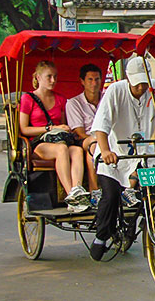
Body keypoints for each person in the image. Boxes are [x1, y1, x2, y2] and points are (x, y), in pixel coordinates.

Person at [89, 57, 155, 261]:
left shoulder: (154, 89)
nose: (142, 87)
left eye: (145, 82)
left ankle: (151, 221)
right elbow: (101, 125)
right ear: (128, 79)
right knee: (110, 195)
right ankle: (101, 236)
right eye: (138, 84)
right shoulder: (115, 91)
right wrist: (106, 150)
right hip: (115, 155)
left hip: (144, 155)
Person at [18, 60, 89, 212]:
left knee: (76, 151)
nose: (53, 80)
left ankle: (77, 191)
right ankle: (71, 195)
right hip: (38, 143)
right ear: (37, 77)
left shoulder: (60, 99)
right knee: (62, 149)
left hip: (58, 140)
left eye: (55, 77)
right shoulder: (28, 99)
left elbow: (63, 127)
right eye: (49, 77)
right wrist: (49, 128)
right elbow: (24, 129)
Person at [66, 63, 103, 206]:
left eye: (97, 79)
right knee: (94, 145)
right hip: (84, 140)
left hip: (106, 138)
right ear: (82, 81)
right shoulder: (74, 103)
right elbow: (80, 132)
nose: (94, 83)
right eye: (90, 80)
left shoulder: (107, 99)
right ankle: (95, 190)